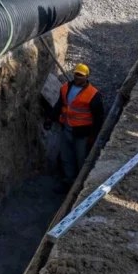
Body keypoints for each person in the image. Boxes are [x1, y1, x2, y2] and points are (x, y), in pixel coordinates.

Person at [45, 63, 105, 192]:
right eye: (76, 74)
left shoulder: (93, 95)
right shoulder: (65, 88)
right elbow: (59, 105)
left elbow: (99, 117)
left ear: (87, 76)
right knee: (66, 158)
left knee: (81, 159)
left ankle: (81, 187)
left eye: (81, 75)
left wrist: (94, 136)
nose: (78, 77)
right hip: (66, 129)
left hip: (82, 133)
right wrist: (50, 118)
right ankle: (68, 181)